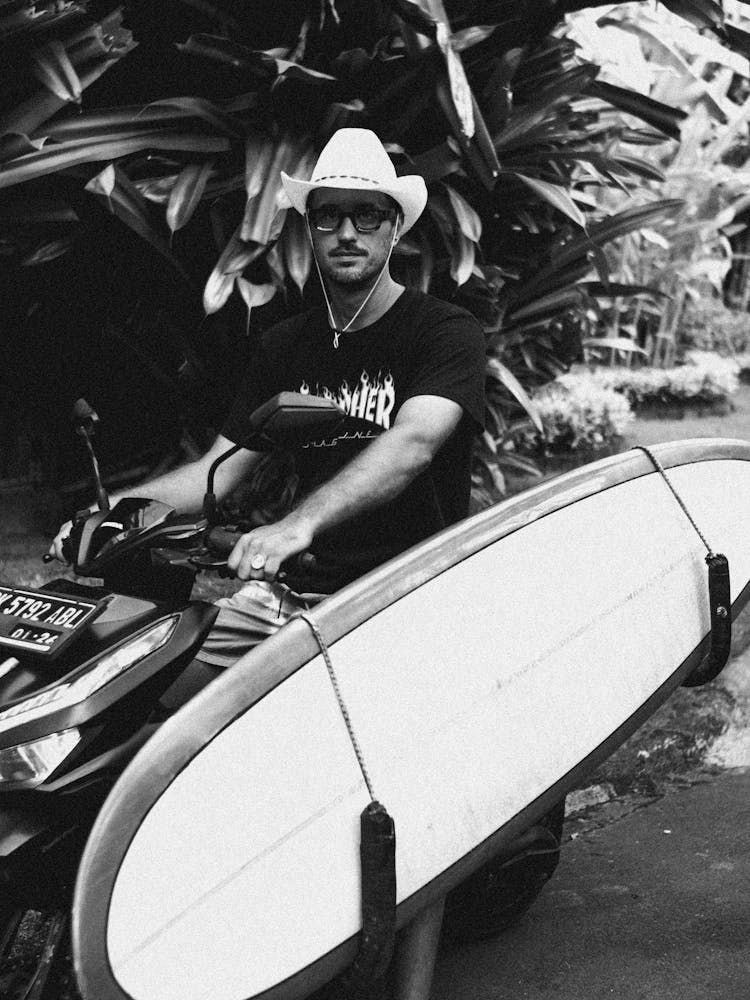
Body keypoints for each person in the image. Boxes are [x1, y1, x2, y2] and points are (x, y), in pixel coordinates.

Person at [49, 127, 486, 998]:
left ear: (394, 230)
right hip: (293, 601)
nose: (349, 234)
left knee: (416, 792)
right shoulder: (287, 346)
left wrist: (300, 523)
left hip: (409, 592)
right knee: (151, 714)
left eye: (367, 217)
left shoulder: (442, 332)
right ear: (310, 231)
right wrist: (107, 516)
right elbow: (224, 468)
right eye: (331, 219)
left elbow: (413, 443)